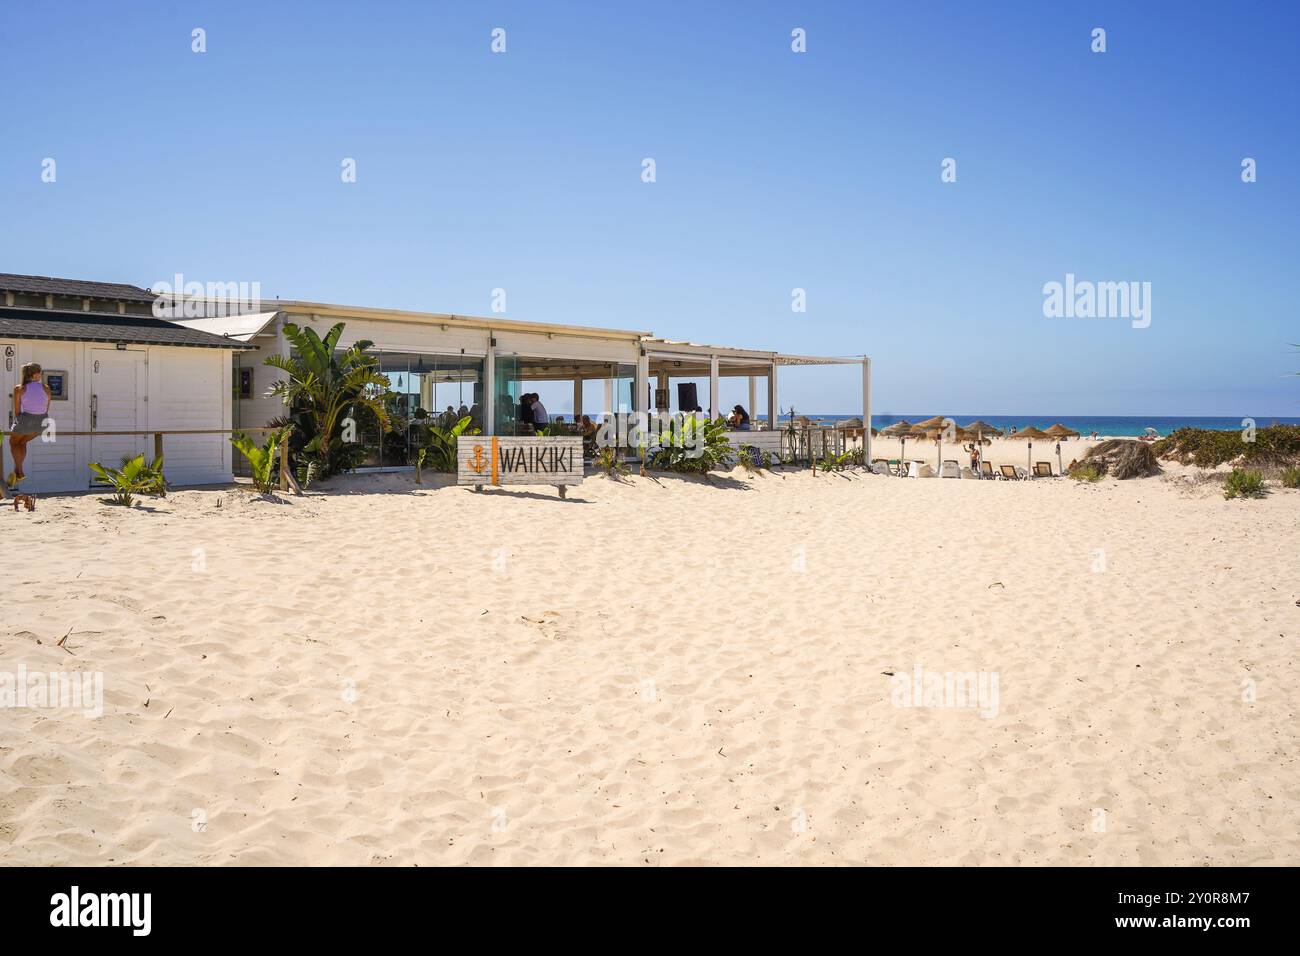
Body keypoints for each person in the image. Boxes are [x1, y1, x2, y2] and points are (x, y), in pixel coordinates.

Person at [8, 363, 51, 489]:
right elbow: (46, 408)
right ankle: (18, 472)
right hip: (43, 421)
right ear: (35, 373)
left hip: (27, 419)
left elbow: (17, 411)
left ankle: (18, 471)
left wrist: (18, 424)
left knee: (14, 442)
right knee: (22, 443)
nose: (41, 374)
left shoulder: (19, 388)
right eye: (40, 372)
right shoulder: (46, 388)